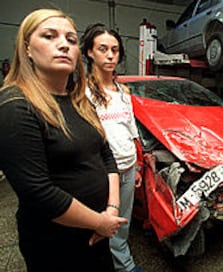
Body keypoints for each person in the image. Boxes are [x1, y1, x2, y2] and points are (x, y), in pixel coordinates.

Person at [0, 9, 128, 272]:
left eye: (71, 40)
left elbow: (105, 154)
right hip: (56, 241)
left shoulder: (79, 101)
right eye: (49, 36)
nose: (63, 45)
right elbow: (38, 192)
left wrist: (112, 210)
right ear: (27, 49)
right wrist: (99, 222)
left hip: (99, 230)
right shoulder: (16, 105)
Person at [81, 23, 143, 272]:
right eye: (103, 49)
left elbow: (131, 130)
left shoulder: (123, 91)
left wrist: (137, 165)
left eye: (115, 50)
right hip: (102, 173)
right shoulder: (82, 93)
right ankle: (123, 266)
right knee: (99, 222)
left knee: (120, 223)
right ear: (89, 52)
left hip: (127, 168)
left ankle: (120, 263)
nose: (109, 55)